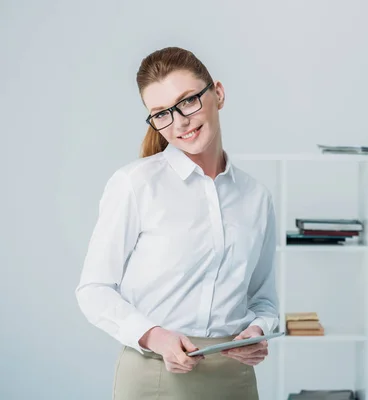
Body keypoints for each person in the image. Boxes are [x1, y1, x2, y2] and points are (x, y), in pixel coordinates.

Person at [75, 46, 279, 400]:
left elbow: (263, 298)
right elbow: (94, 290)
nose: (180, 122)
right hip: (154, 373)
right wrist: (156, 336)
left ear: (218, 93)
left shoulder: (256, 197)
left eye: (188, 102)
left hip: (235, 378)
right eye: (161, 114)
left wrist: (259, 330)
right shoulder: (135, 185)